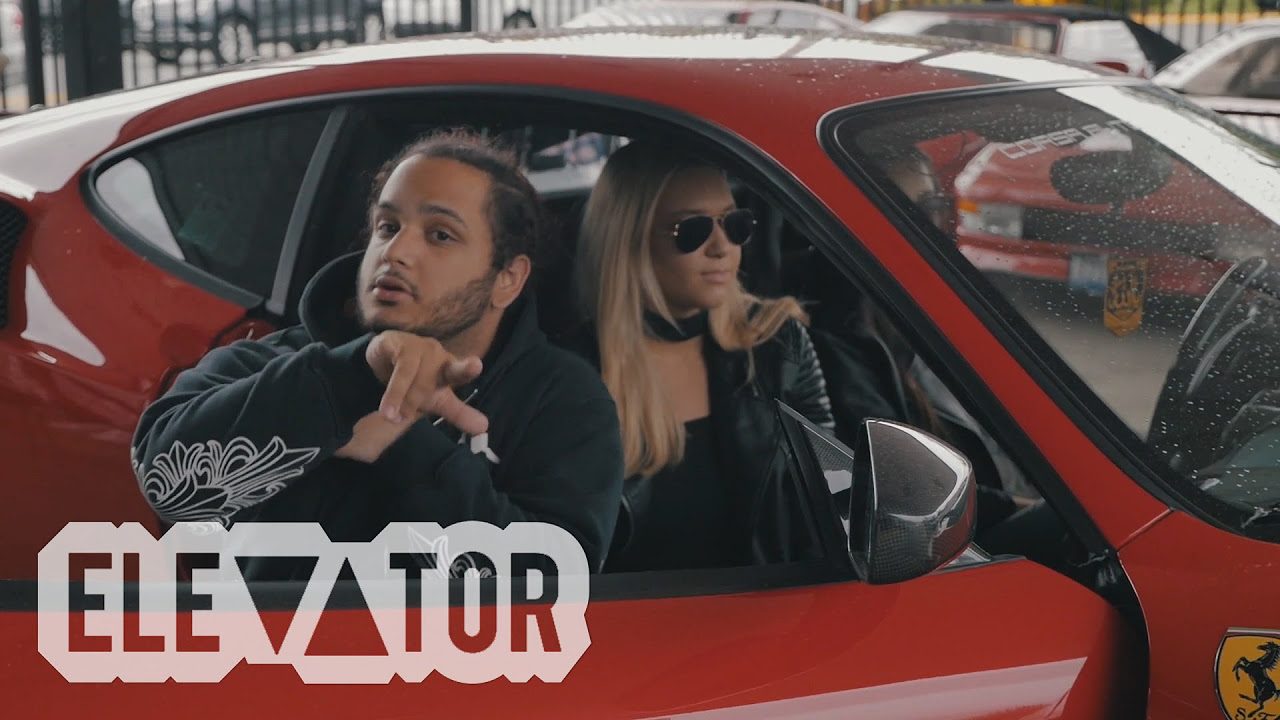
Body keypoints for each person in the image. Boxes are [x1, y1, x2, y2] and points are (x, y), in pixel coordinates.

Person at [130, 128, 625, 579]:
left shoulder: (563, 400)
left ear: (507, 279)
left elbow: (552, 588)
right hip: (278, 650)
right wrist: (346, 383)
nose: (395, 252)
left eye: (440, 235)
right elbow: (167, 487)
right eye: (387, 226)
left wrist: (402, 442)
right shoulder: (272, 362)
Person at [567, 141, 837, 573]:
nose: (722, 246)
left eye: (734, 223)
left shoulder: (777, 346)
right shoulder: (573, 373)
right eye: (691, 229)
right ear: (629, 240)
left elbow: (827, 505)